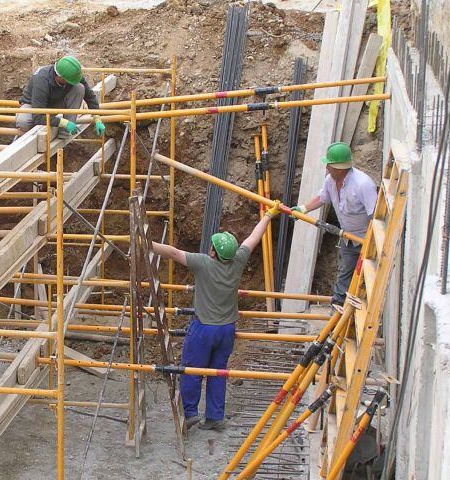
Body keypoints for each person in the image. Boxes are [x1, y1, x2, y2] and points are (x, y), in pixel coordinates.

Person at [152, 205, 281, 431]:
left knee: (192, 370)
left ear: (213, 252)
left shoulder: (203, 264)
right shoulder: (238, 262)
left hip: (204, 329)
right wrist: (268, 215)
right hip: (226, 330)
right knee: (218, 371)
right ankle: (215, 417)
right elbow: (253, 237)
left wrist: (146, 243)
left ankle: (191, 413)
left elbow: (173, 252)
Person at [290, 142, 378, 309]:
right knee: (344, 274)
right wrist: (302, 209)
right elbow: (322, 198)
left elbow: (374, 215)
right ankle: (338, 311)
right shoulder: (331, 180)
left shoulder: (363, 184)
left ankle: (363, 311)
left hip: (366, 241)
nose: (326, 167)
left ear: (339, 167)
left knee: (366, 278)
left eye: (329, 164)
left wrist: (372, 244)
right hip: (347, 238)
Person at [16, 55, 106, 137]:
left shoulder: (72, 75)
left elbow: (89, 96)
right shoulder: (41, 80)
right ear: (59, 77)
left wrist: (97, 117)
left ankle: (65, 133)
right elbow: (38, 116)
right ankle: (34, 134)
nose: (70, 83)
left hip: (54, 102)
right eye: (68, 81)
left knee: (79, 87)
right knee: (24, 122)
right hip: (33, 105)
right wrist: (63, 122)